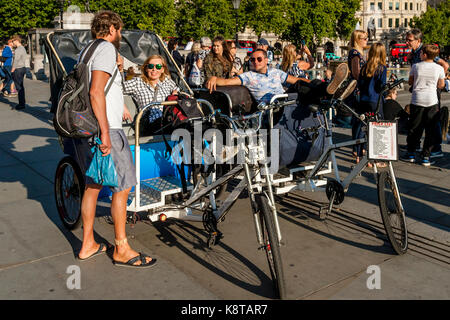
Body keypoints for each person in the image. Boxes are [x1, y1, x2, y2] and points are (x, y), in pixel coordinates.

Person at [76, 10, 156, 268]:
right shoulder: (107, 49)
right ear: (111, 29)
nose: (120, 34)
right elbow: (95, 91)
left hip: (89, 128)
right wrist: (106, 132)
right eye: (119, 30)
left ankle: (87, 243)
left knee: (93, 186)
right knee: (123, 187)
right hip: (106, 128)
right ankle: (121, 247)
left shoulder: (86, 50)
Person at [205, 49, 349, 105]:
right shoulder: (248, 76)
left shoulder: (275, 72)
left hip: (286, 101)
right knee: (303, 89)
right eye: (252, 60)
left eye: (259, 59)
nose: (255, 62)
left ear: (266, 60)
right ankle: (333, 93)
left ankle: (333, 90)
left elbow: (297, 80)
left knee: (302, 85)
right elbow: (227, 81)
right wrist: (213, 79)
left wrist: (314, 82)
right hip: (272, 108)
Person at [406, 28, 449, 159]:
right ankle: (420, 147)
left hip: (431, 92)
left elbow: (444, 65)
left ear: (418, 40)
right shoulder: (414, 53)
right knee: (419, 122)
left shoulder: (426, 52)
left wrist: (439, 80)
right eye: (406, 39)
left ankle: (436, 148)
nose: (407, 42)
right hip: (420, 92)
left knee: (432, 122)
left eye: (409, 40)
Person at [123, 55, 179, 134]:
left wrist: (175, 93)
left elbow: (177, 89)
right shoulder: (138, 82)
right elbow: (115, 89)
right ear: (146, 68)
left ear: (162, 69)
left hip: (167, 121)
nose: (154, 69)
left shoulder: (166, 81)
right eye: (150, 66)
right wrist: (123, 107)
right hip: (148, 123)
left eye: (158, 66)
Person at [356, 42, 387, 166]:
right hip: (375, 101)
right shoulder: (381, 68)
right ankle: (375, 159)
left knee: (363, 128)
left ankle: (359, 155)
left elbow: (359, 84)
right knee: (377, 128)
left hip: (363, 100)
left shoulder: (364, 67)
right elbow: (381, 86)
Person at [347, 30, 368, 160]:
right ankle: (357, 150)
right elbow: (356, 73)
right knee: (360, 120)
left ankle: (358, 148)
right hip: (358, 91)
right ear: (357, 40)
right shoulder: (355, 54)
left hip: (358, 90)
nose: (367, 40)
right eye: (364, 38)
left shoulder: (358, 53)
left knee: (358, 121)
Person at [10, 35, 27, 110]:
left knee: (19, 87)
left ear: (16, 41)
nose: (12, 43)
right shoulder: (23, 48)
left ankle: (21, 104)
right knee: (21, 86)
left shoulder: (18, 50)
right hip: (22, 68)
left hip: (18, 69)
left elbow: (16, 60)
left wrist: (12, 70)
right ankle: (22, 102)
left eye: (13, 41)